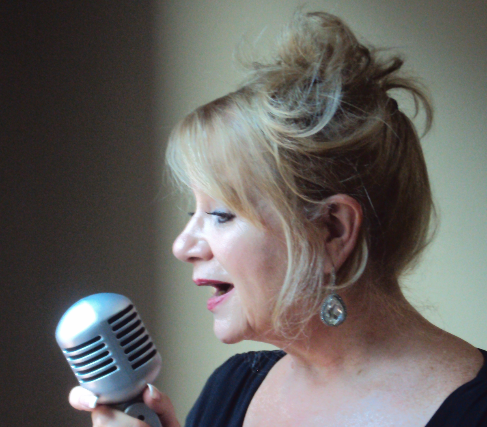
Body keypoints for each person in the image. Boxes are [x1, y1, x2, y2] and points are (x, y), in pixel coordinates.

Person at [69, 11, 487, 427]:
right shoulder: (232, 388)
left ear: (333, 230)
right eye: (193, 213)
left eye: (221, 214)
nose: (182, 246)